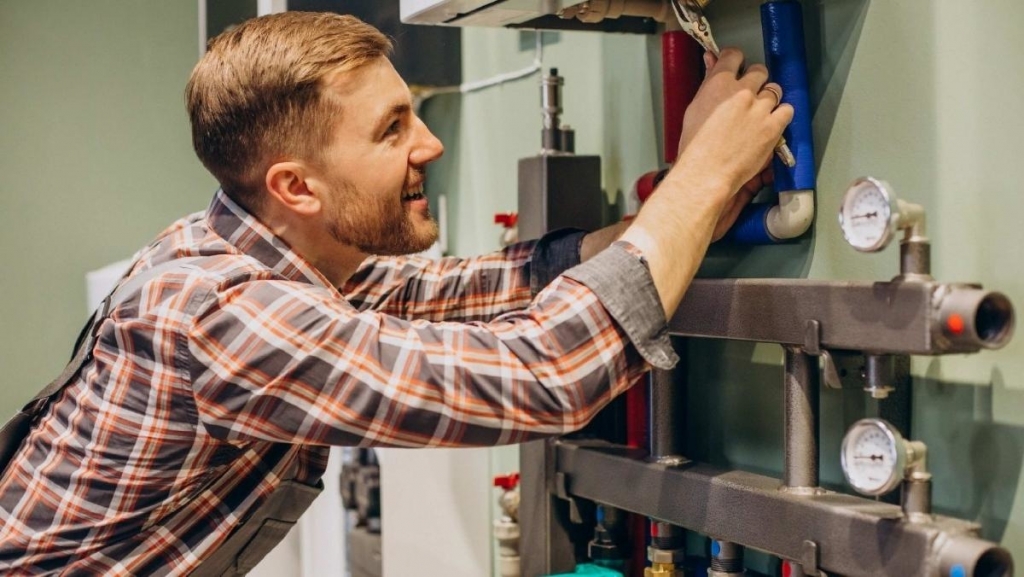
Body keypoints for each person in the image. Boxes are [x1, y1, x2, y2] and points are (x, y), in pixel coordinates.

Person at [0, 11, 791, 576]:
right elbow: (544, 375)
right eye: (392, 129)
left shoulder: (257, 255)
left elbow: (468, 288)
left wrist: (682, 215)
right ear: (296, 186)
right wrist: (703, 174)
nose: (431, 143)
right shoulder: (223, 314)